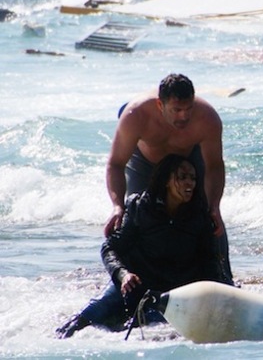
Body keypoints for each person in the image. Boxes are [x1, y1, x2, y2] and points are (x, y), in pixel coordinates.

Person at [57, 155, 230, 338]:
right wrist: (123, 275)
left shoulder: (199, 216)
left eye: (193, 178)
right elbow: (110, 248)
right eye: (182, 177)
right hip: (134, 284)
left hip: (171, 292)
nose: (190, 183)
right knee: (88, 316)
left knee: (148, 327)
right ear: (166, 181)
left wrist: (216, 298)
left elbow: (210, 263)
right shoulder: (139, 207)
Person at [105, 73, 232, 283]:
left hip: (188, 160)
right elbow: (115, 164)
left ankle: (223, 282)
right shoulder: (135, 114)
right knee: (133, 217)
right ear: (159, 104)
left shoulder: (207, 118)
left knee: (209, 220)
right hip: (145, 163)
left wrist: (214, 206)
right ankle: (126, 283)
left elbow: (215, 166)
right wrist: (117, 205)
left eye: (188, 109)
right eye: (176, 110)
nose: (183, 117)